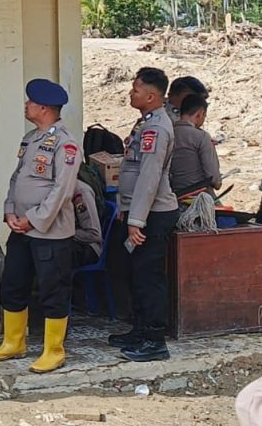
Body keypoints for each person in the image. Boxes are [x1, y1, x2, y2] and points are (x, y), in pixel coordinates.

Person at [0, 79, 80, 374]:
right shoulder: (30, 139)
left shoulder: (65, 143)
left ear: (44, 108)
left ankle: (54, 350)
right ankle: (14, 342)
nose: (26, 106)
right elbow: (17, 179)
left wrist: (34, 219)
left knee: (53, 290)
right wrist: (10, 211)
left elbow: (62, 190)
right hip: (21, 230)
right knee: (13, 284)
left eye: (30, 102)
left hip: (50, 233)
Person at [111, 67, 179, 363]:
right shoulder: (146, 123)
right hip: (138, 212)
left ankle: (154, 340)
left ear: (151, 96)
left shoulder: (157, 129)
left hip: (153, 214)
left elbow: (149, 178)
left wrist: (136, 221)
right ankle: (139, 330)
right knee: (135, 274)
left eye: (136, 89)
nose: (131, 93)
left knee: (149, 277)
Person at [169, 94, 222, 197]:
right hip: (198, 196)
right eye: (204, 116)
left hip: (173, 195)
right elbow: (214, 178)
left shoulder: (168, 134)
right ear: (200, 114)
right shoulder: (201, 137)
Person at [72, 180, 102, 268]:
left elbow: (94, 234)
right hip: (69, 239)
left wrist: (64, 232)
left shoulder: (80, 191)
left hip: (88, 246)